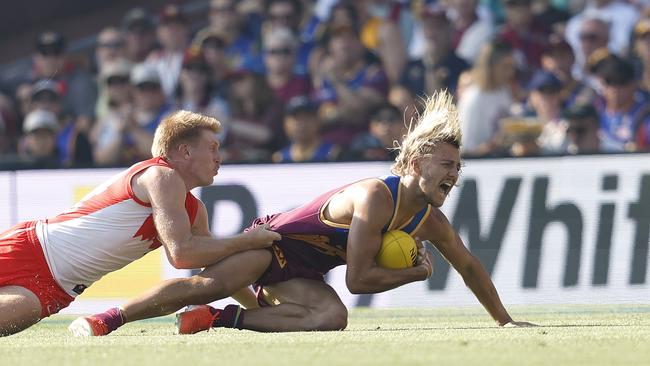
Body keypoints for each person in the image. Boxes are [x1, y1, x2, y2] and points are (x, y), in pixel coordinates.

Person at [73, 91, 535, 336]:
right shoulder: (376, 196)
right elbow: (357, 280)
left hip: (303, 272)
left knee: (332, 319)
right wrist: (411, 276)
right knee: (205, 283)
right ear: (415, 165)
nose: (455, 175)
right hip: (273, 244)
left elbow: (469, 265)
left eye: (458, 166)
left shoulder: (428, 220)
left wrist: (504, 320)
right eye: (447, 166)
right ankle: (107, 319)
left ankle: (215, 320)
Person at [0, 110, 280, 336]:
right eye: (213, 148)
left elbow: (219, 274)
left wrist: (260, 309)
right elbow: (182, 254)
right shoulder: (161, 174)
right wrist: (248, 240)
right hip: (31, 248)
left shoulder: (195, 210)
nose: (220, 158)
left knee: (21, 313)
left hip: (57, 290)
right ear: (185, 151)